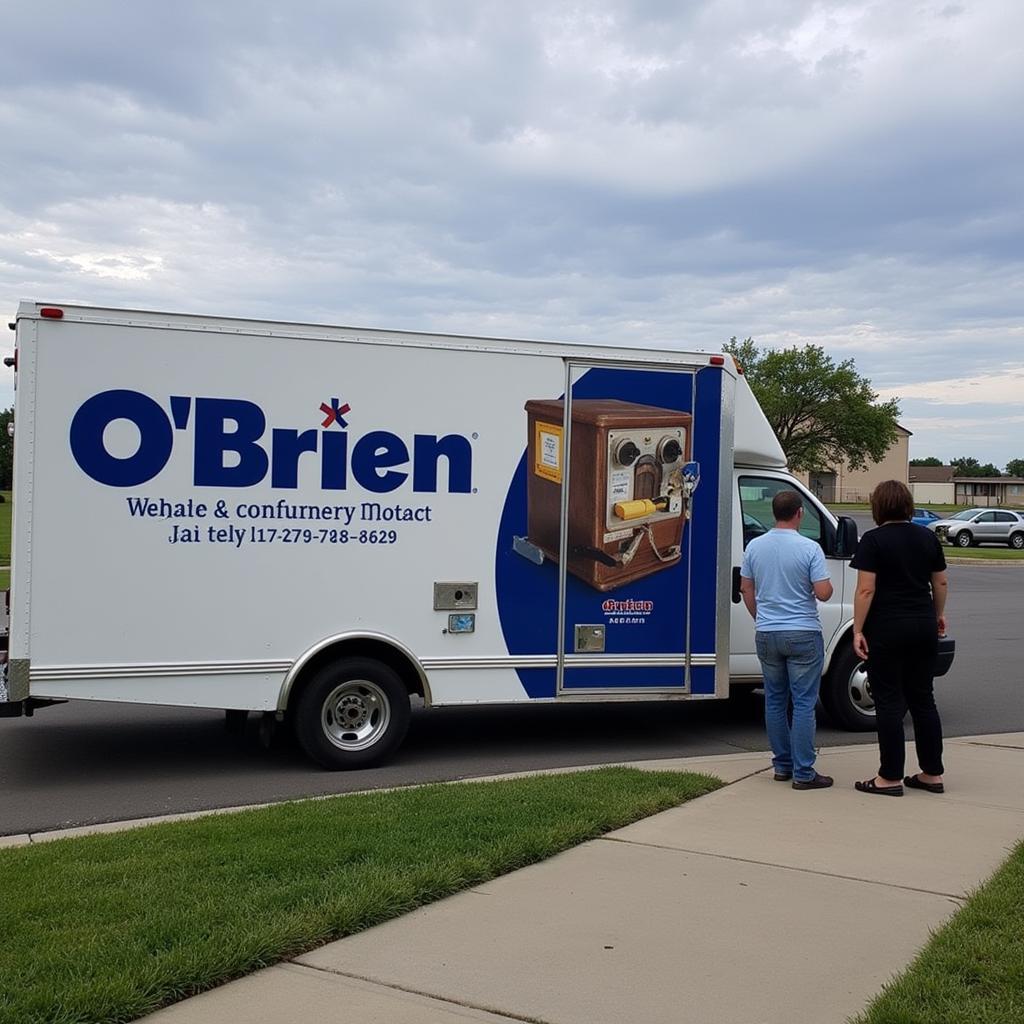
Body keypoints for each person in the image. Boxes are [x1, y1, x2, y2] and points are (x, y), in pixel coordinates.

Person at [851, 480, 948, 796]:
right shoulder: (927, 538)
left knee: (889, 700)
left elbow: (866, 589)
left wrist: (858, 630)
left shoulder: (873, 541)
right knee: (923, 698)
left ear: (878, 506)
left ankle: (890, 776)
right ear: (907, 505)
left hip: (887, 627)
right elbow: (941, 583)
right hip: (923, 625)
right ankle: (932, 773)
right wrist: (936, 616)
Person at [740, 490, 834, 790]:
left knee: (775, 699)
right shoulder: (809, 548)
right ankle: (804, 772)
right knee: (804, 702)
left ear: (773, 513)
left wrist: (761, 618)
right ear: (799, 513)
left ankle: (782, 766)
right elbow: (823, 592)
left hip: (768, 632)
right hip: (803, 631)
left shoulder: (754, 546)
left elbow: (746, 589)